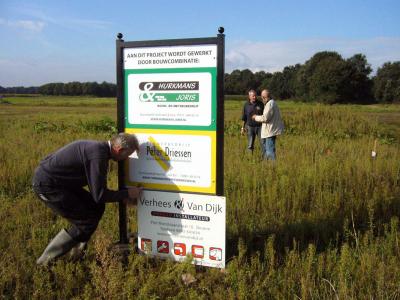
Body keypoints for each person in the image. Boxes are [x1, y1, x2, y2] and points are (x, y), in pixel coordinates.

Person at [32, 133, 142, 265]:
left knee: (96, 207)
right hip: (48, 186)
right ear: (119, 150)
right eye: (127, 155)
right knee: (85, 221)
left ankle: (77, 254)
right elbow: (99, 195)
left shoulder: (99, 150)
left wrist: (123, 194)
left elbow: (97, 198)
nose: (126, 159)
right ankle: (44, 262)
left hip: (61, 183)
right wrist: (127, 193)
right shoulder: (98, 156)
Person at [252, 89, 284, 160]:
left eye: (264, 97)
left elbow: (265, 118)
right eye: (262, 97)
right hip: (270, 130)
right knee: (268, 150)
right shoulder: (271, 103)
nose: (263, 99)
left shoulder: (270, 104)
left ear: (266, 97)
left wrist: (255, 117)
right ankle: (266, 165)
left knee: (270, 151)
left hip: (270, 131)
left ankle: (273, 167)